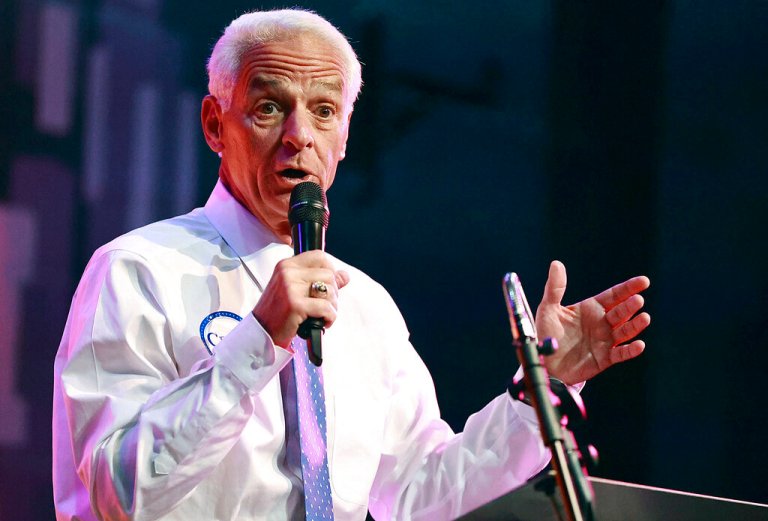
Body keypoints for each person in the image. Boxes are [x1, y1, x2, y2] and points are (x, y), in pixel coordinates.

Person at [52, 8, 651, 521]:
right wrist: (257, 341)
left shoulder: (365, 306)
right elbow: (113, 497)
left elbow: (421, 494)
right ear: (215, 124)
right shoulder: (139, 271)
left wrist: (537, 393)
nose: (299, 136)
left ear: (344, 135)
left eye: (324, 112)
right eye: (268, 107)